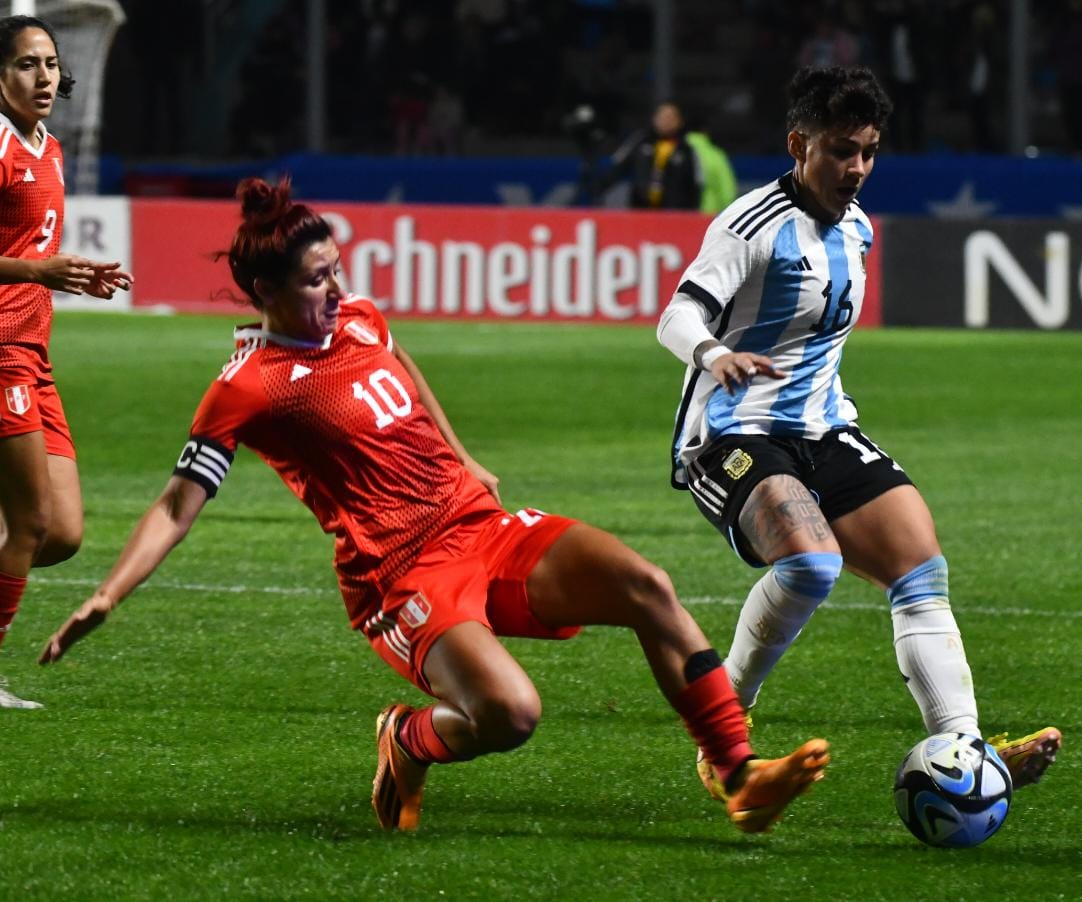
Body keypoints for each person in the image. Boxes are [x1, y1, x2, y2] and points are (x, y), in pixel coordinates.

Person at [38, 177, 829, 834]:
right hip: (402, 576)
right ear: (267, 291)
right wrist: (108, 593)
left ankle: (737, 774)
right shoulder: (247, 388)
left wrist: (461, 456)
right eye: (317, 280)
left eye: (337, 269)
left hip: (477, 526)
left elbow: (401, 364)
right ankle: (407, 739)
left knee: (647, 586)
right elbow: (179, 504)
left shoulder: (357, 317)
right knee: (512, 715)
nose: (338, 289)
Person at [654, 66, 1061, 802]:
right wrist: (717, 354)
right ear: (798, 144)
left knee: (920, 565)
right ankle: (723, 746)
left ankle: (967, 751)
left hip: (824, 428)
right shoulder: (751, 225)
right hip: (731, 431)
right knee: (811, 567)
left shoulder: (858, 227)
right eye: (842, 151)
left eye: (869, 151)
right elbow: (676, 315)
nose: (857, 169)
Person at [0, 15, 132, 710]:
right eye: (26, 64)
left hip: (34, 352)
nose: (44, 76)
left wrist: (74, 276)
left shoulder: (46, 147)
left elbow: (36, 250)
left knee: (64, 533)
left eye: (50, 64)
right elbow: (26, 260)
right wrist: (34, 271)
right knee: (26, 526)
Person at [604, 101, 702, 210]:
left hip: (675, 215)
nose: (666, 121)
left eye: (671, 117)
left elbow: (696, 185)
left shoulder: (687, 150)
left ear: (679, 121)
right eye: (663, 116)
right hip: (641, 211)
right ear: (655, 118)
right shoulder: (640, 141)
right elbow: (615, 169)